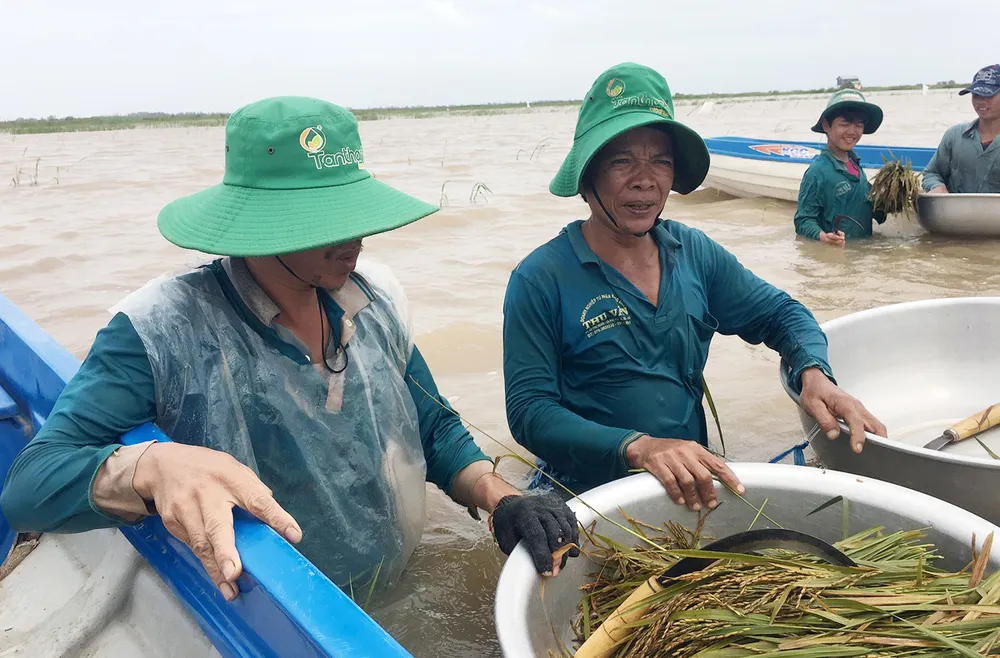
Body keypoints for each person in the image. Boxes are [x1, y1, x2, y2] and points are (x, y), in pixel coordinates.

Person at [0, 96, 579, 601]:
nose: (353, 239)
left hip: (393, 574)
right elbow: (30, 487)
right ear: (261, 224)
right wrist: (153, 465)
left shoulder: (369, 302)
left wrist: (500, 497)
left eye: (355, 215)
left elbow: (430, 425)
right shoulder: (163, 329)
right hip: (271, 596)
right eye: (324, 222)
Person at [502, 63, 887, 510]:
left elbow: (782, 314)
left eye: (660, 160)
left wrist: (815, 374)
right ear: (587, 176)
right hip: (587, 498)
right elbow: (531, 412)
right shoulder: (540, 278)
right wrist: (641, 446)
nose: (644, 178)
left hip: (688, 481)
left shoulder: (692, 252)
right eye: (621, 160)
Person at [793, 89, 886, 246]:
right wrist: (824, 237)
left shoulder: (856, 166)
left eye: (858, 125)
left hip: (863, 253)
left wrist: (893, 199)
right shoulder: (817, 172)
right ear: (826, 125)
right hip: (838, 254)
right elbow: (803, 220)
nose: (852, 131)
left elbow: (875, 211)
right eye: (844, 124)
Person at [922, 64, 1000, 194]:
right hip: (957, 212)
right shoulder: (955, 135)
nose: (980, 101)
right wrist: (936, 187)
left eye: (988, 95)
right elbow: (932, 173)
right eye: (976, 95)